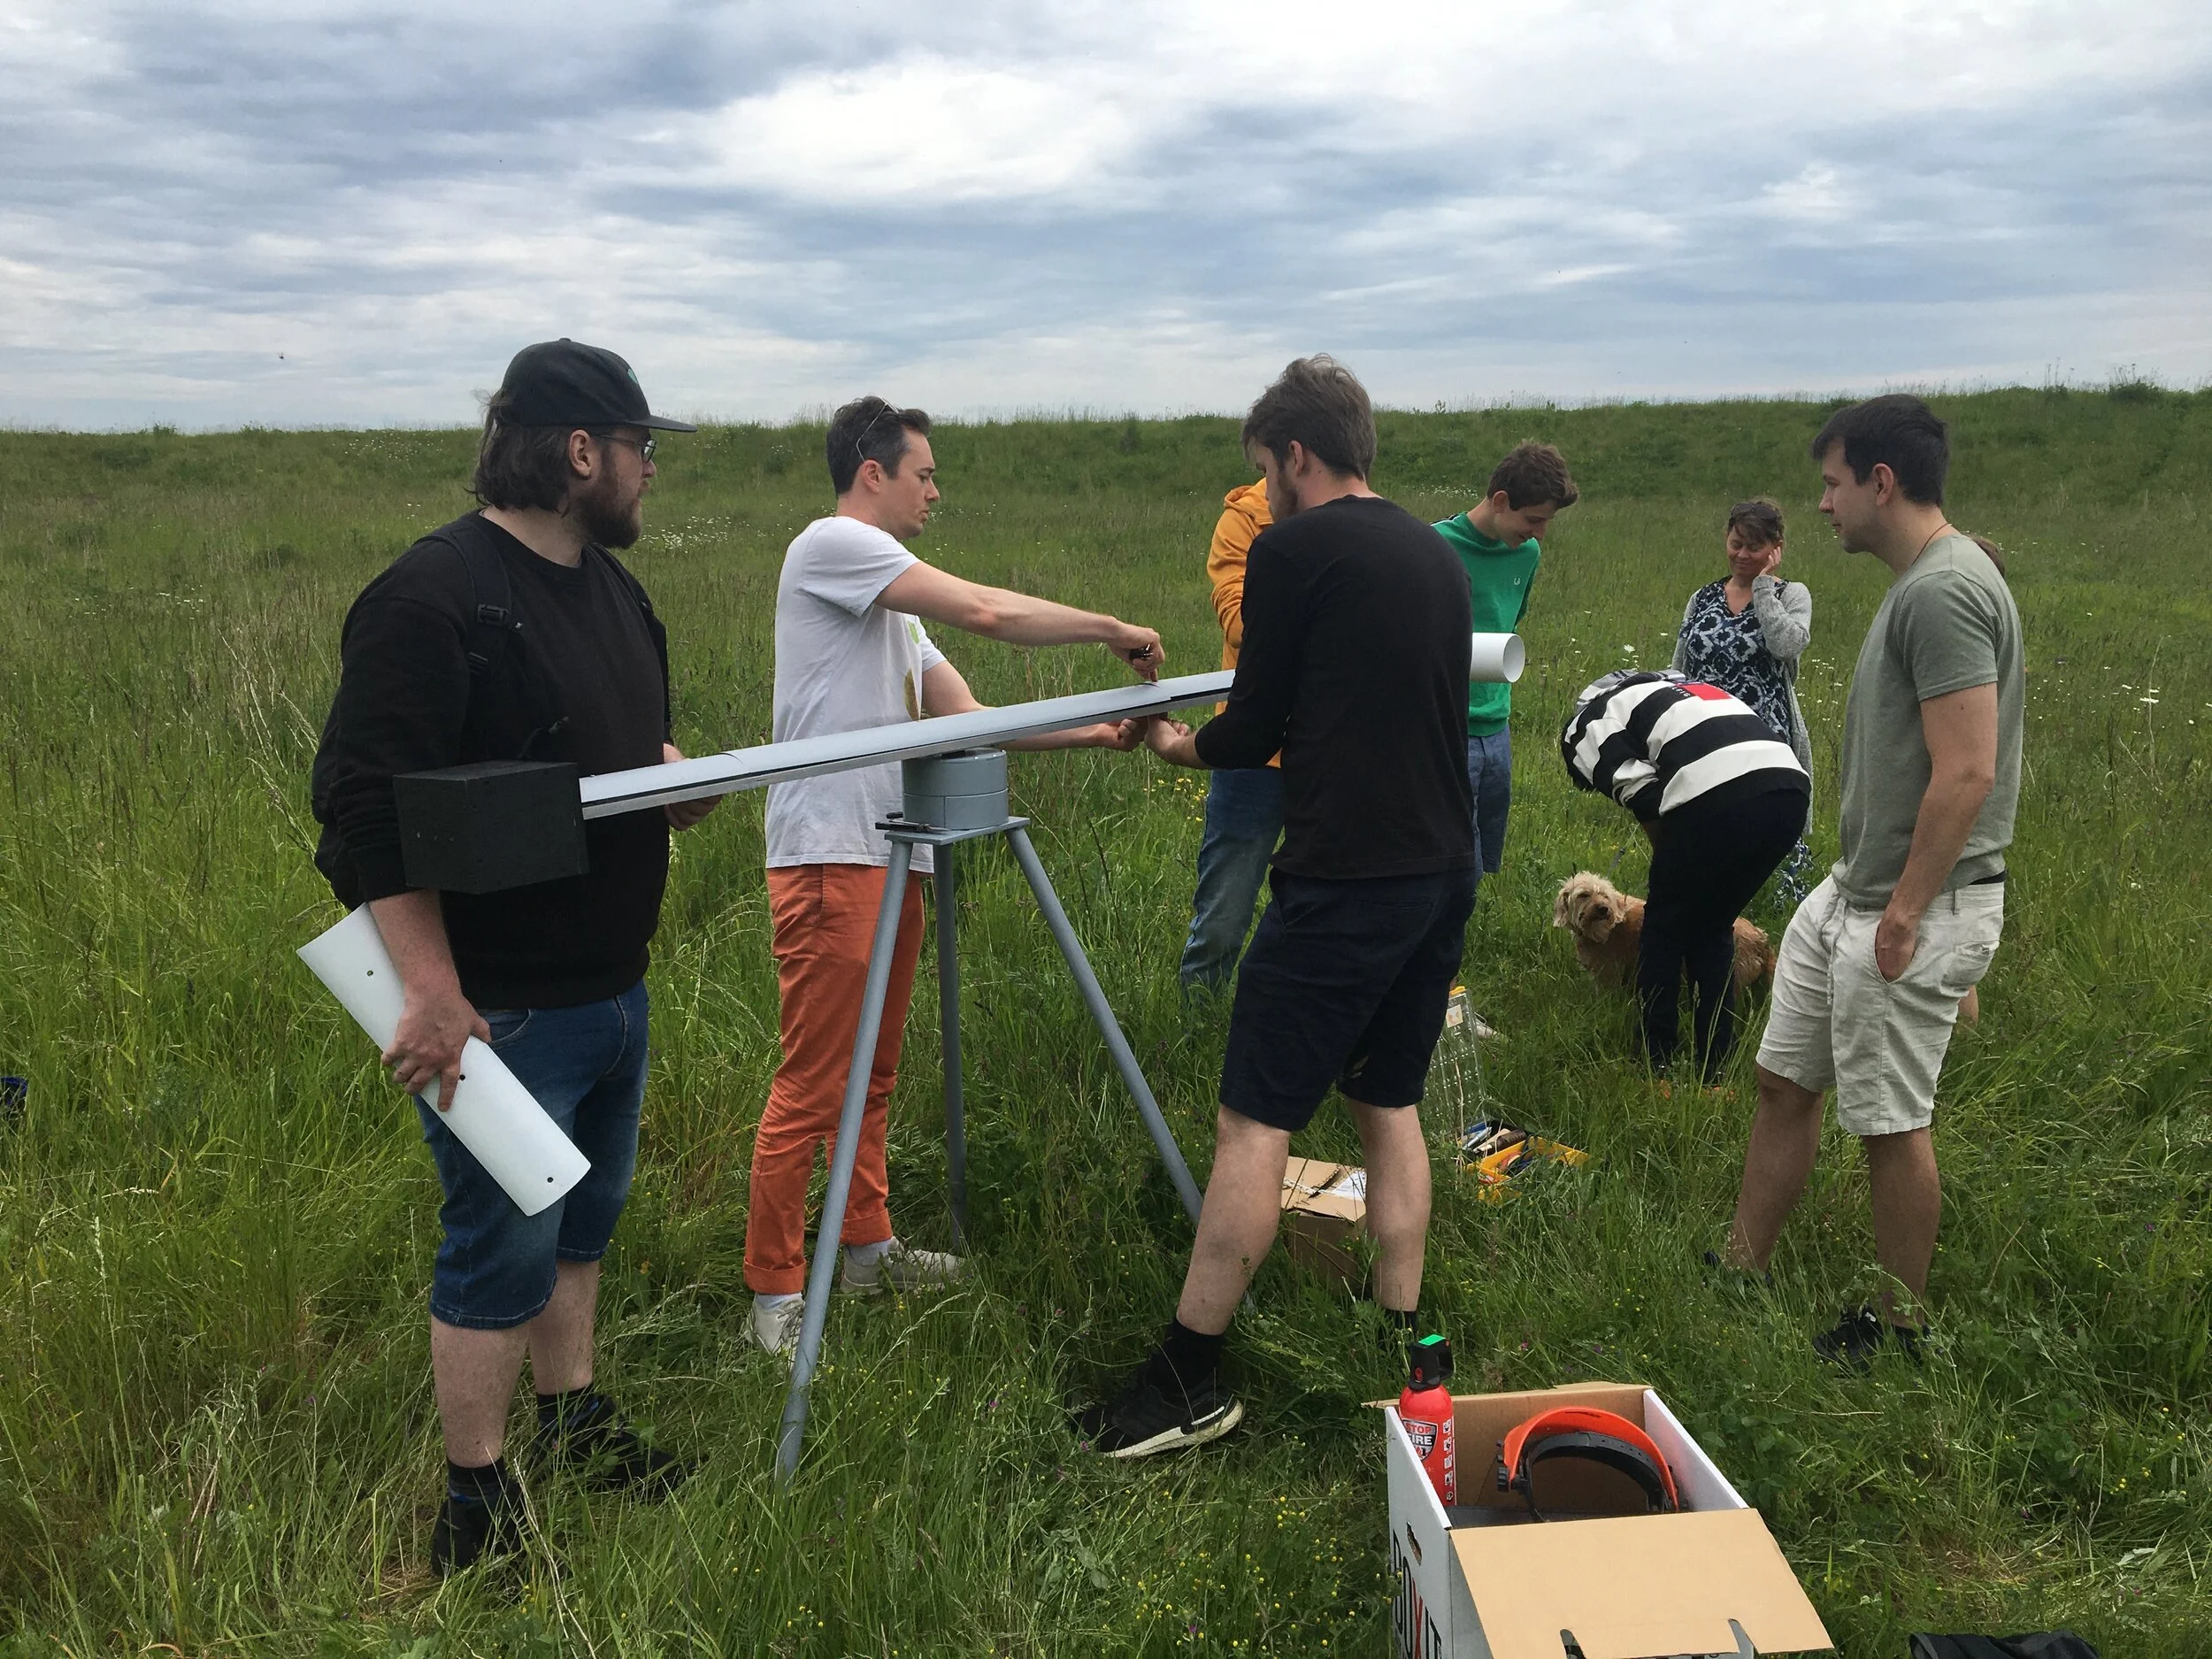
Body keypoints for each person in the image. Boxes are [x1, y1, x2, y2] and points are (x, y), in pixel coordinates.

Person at [309, 340, 716, 1575]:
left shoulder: (613, 591)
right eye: (641, 446)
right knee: (499, 1241)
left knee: (582, 1219)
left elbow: (626, 753)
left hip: (612, 983)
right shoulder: (433, 597)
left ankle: (575, 1413)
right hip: (496, 1010)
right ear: (580, 449)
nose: (652, 472)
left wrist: (673, 786)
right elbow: (363, 811)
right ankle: (475, 1503)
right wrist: (433, 992)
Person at [1080, 356, 1476, 1457]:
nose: (1268, 491)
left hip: (1346, 877)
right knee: (1385, 1099)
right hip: (1442, 869)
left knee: (1252, 1122)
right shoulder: (1435, 554)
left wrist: (1171, 747)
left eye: (1267, 470)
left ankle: (1188, 1378)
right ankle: (1404, 1340)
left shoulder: (1291, 549)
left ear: (1295, 454)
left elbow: (1254, 720)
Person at [745, 396, 1163, 1356]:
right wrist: (1108, 627)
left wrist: (1093, 734)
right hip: (828, 853)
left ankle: (866, 1248)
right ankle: (772, 1290)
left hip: (890, 851)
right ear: (873, 472)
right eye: (923, 473)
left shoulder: (892, 615)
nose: (935, 490)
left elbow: (964, 716)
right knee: (816, 1083)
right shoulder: (831, 546)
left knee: (877, 1074)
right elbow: (986, 610)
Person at [1717, 395, 2022, 1367]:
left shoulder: (1942, 592)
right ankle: (1739, 1269)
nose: (1821, 505)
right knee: (1780, 1082)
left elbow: (1968, 770)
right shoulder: (1925, 580)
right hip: (1850, 892)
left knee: (1890, 1124)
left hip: (1900, 905)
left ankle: (1898, 1330)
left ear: (1880, 483)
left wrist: (1908, 914)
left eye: (1833, 483)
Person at [1561, 670, 1809, 1081]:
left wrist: (1671, 870)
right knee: (1713, 926)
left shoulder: (1584, 726)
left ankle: (1656, 1068)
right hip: (1788, 793)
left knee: (1662, 929)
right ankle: (1715, 1072)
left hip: (1720, 794)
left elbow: (1643, 795)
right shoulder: (1678, 689)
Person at [1432, 442, 1578, 903]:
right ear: (1499, 501)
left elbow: (1508, 624)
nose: (1540, 532)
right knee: (1455, 859)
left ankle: (1443, 946)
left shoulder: (1526, 554)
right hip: (1445, 724)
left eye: (1547, 522)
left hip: (1497, 727)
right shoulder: (1434, 546)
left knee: (1479, 860)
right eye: (1533, 519)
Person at [1672, 499, 1815, 902]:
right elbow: (1680, 666)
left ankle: (1770, 907)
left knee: (1764, 828)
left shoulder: (1792, 595)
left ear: (1775, 548)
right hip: (1705, 734)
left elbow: (1787, 645)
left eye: (1754, 547)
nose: (1742, 555)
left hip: (1764, 739)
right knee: (1708, 828)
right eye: (1736, 543)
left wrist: (1764, 589)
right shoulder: (1701, 598)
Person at [1179, 479, 1282, 991]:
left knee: (1331, 905)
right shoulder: (1245, 519)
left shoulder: (1350, 513)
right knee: (1223, 909)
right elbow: (1239, 624)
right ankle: (1198, 1019)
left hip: (1334, 753)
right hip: (1253, 755)